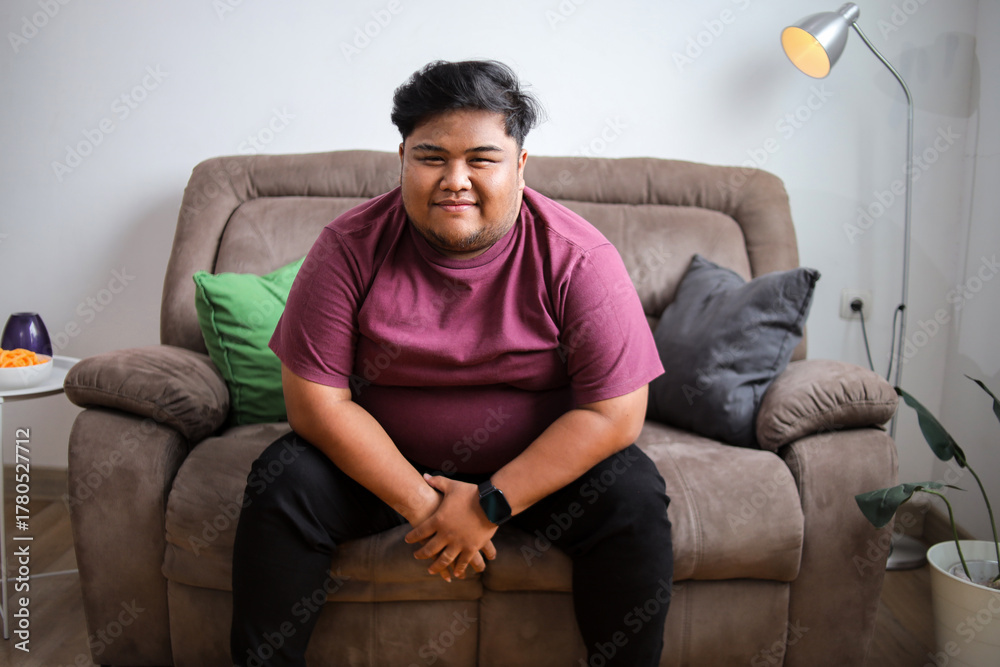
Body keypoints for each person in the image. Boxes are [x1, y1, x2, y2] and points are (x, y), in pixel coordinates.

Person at [230, 59, 673, 667]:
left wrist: (490, 503)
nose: (455, 180)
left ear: (520, 165)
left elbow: (615, 414)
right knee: (282, 478)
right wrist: (428, 508)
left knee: (634, 492)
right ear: (403, 159)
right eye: (431, 157)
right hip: (382, 465)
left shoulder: (578, 257)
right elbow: (315, 404)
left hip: (537, 469)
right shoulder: (348, 247)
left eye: (481, 160)